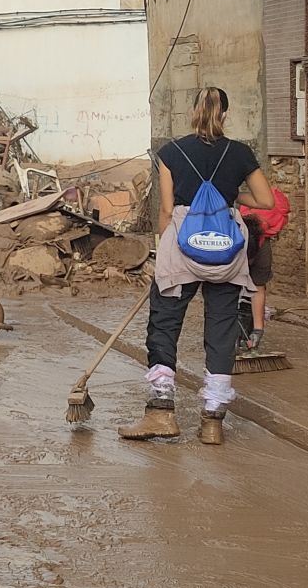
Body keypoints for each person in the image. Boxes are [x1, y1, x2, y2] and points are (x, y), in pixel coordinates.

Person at [123, 86, 277, 445]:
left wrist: (164, 254)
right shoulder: (239, 152)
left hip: (182, 243)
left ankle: (161, 414)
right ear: (225, 114)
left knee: (164, 322)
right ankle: (212, 422)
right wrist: (230, 194)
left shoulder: (172, 152)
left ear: (194, 111)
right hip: (226, 248)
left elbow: (164, 210)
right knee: (221, 327)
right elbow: (266, 200)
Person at [240, 185, 290, 350]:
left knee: (255, 286)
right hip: (237, 246)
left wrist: (258, 329)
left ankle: (252, 331)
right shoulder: (233, 239)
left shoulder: (263, 249)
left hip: (258, 240)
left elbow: (258, 287)